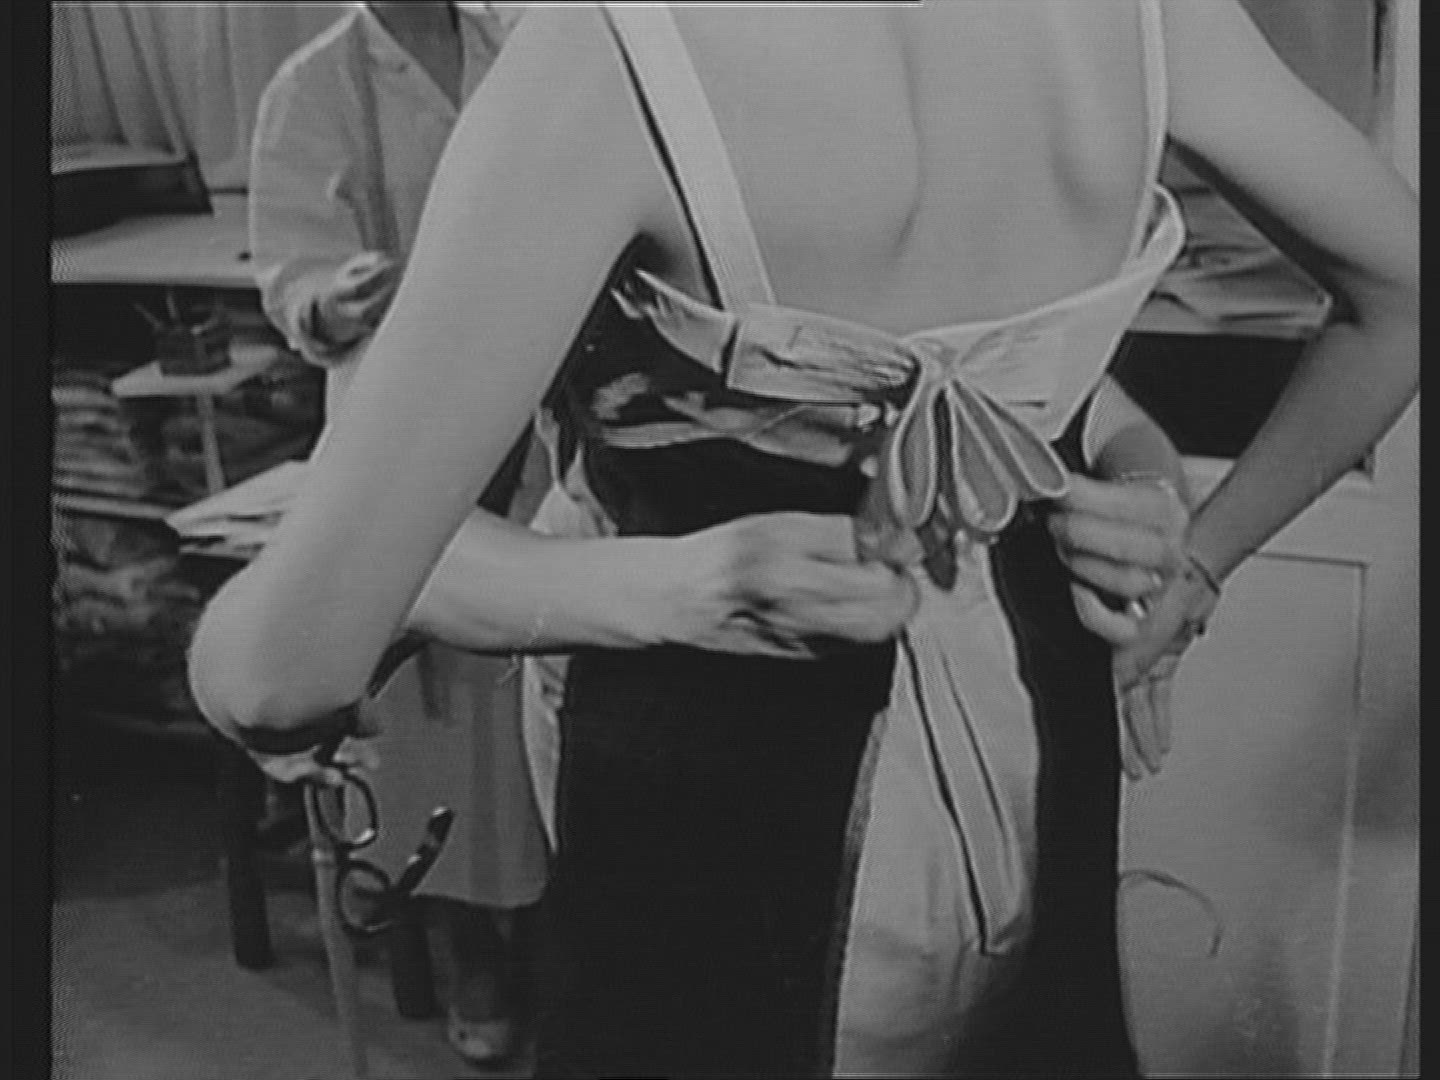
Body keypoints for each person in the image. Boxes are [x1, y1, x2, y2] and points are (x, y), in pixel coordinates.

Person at [192, 2, 1418, 1076]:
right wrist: (1198, 557)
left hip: (729, 763)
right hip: (1030, 720)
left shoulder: (610, 59)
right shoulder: (1149, 15)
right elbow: (1401, 290)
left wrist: (675, 585)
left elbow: (275, 675)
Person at [246, 1, 542, 1064]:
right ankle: (474, 949)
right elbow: (290, 269)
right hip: (411, 427)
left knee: (543, 692)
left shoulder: (523, 41)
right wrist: (332, 298)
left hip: (544, 408)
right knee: (448, 715)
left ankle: (558, 926)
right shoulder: (317, 87)